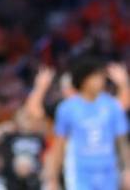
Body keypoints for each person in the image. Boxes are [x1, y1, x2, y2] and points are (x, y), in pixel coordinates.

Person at [46, 57, 130, 190]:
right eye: (96, 77)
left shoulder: (112, 106)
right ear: (83, 80)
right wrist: (52, 179)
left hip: (108, 170)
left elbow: (122, 141)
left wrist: (128, 169)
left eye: (102, 77)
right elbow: (59, 145)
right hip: (79, 172)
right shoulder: (67, 108)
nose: (101, 81)